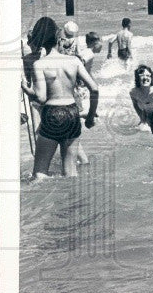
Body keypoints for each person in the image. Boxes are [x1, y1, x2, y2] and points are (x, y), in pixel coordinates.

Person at [23, 21, 100, 179]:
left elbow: (41, 97)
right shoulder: (74, 61)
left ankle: (38, 204)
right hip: (72, 112)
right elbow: (94, 89)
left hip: (52, 113)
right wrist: (90, 116)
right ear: (58, 37)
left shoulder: (39, 64)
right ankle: (73, 203)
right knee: (71, 172)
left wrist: (26, 89)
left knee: (40, 173)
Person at [129, 64, 153, 130]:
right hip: (145, 119)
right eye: (142, 75)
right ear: (137, 78)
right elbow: (135, 105)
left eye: (148, 75)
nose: (145, 78)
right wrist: (142, 118)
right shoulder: (133, 92)